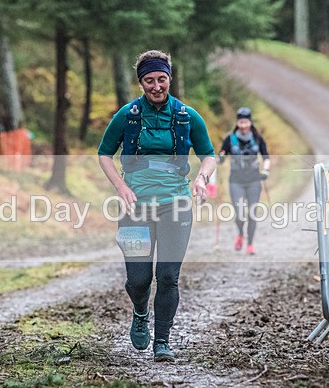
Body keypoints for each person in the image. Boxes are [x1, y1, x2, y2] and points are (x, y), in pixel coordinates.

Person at [98, 50, 216, 363]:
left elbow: (209, 155)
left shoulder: (187, 116)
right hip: (134, 207)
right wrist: (121, 186)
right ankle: (140, 311)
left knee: (168, 276)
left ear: (169, 79)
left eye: (161, 79)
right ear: (141, 83)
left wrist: (201, 179)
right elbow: (103, 154)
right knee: (138, 279)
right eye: (149, 80)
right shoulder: (128, 114)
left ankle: (162, 341)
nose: (156, 86)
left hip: (176, 205)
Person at [218, 107, 270, 255]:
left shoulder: (258, 138)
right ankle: (240, 233)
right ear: (237, 122)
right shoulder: (230, 139)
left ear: (250, 122)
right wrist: (220, 158)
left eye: (246, 122)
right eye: (241, 122)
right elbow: (221, 156)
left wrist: (266, 170)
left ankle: (250, 244)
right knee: (239, 212)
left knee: (252, 213)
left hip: (254, 180)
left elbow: (266, 158)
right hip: (236, 181)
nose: (243, 126)